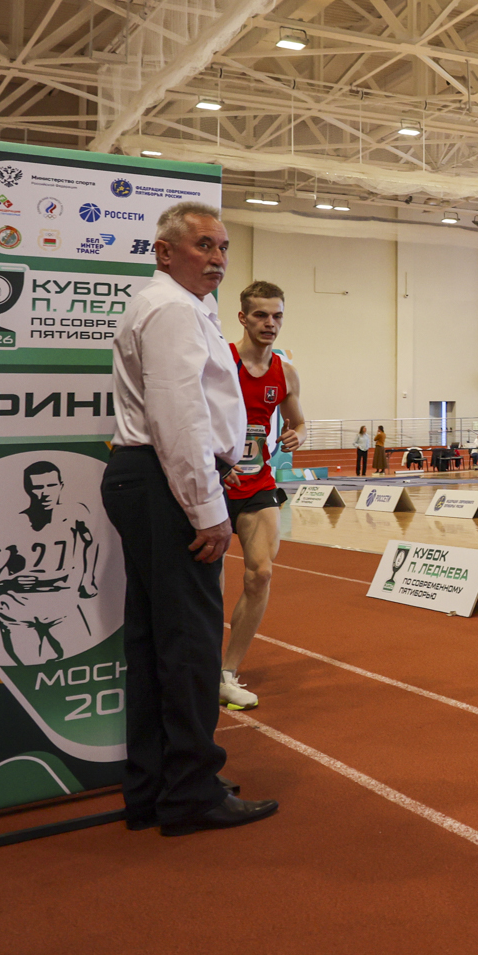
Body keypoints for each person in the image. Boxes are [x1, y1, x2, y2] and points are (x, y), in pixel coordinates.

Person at [103, 200, 278, 837]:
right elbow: (178, 416)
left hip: (148, 479)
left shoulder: (174, 305)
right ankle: (189, 793)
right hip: (164, 484)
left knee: (155, 642)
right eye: (203, 245)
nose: (217, 259)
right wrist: (207, 510)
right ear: (164, 251)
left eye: (223, 247)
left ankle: (155, 786)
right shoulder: (173, 309)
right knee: (189, 646)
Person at [218, 281, 306, 712]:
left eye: (277, 316)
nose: (270, 323)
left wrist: (296, 435)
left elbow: (298, 422)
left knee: (261, 574)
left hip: (257, 483)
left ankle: (226, 673)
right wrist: (217, 465)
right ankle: (193, 666)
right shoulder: (221, 361)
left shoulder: (285, 372)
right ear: (242, 318)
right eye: (261, 315)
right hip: (212, 485)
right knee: (205, 585)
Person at [0, 460, 99, 667]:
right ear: (27, 489)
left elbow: (91, 543)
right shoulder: (11, 525)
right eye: (37, 487)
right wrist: (11, 583)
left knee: (79, 661)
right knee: (30, 670)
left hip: (63, 607)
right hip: (18, 612)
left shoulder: (77, 514)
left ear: (61, 486)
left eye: (51, 485)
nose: (45, 493)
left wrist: (88, 579)